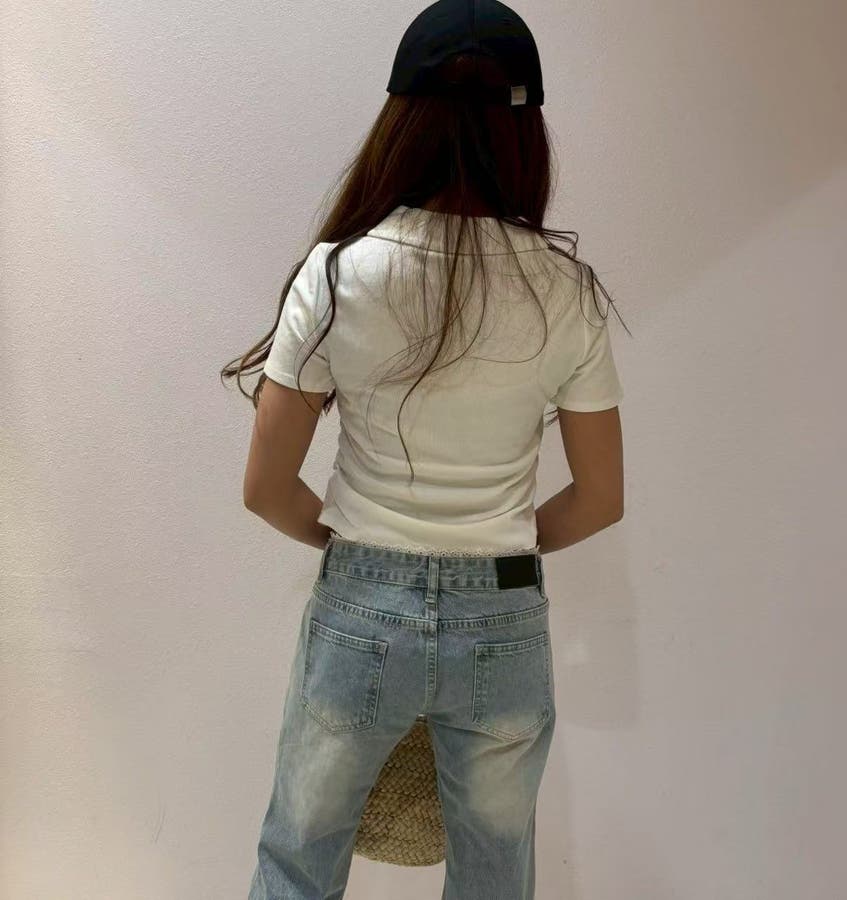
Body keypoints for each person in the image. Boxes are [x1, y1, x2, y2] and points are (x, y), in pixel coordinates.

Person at [221, 1, 629, 897]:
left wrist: (352, 551)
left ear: (400, 121)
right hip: (504, 616)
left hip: (363, 603)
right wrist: (499, 549)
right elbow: (600, 498)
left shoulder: (338, 273)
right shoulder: (568, 291)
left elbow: (266, 488)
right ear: (525, 133)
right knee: (494, 877)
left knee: (297, 860)